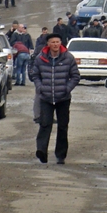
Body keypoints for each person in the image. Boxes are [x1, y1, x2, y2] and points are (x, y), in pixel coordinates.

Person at [30, 32, 80, 164]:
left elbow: (75, 76)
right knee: (45, 124)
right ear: (48, 44)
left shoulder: (68, 58)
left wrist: (66, 88)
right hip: (46, 97)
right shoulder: (41, 58)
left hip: (63, 98)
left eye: (57, 42)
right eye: (53, 42)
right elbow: (35, 75)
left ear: (61, 43)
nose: (55, 44)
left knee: (63, 126)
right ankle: (41, 151)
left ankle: (61, 155)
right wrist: (40, 87)